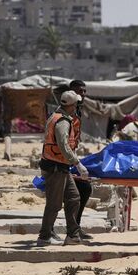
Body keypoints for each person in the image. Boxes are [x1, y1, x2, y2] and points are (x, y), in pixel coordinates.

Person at [37, 90, 89, 246]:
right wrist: (77, 163)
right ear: (72, 105)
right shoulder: (63, 121)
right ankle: (44, 236)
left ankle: (72, 235)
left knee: (73, 198)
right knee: (54, 204)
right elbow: (63, 145)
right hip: (55, 167)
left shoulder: (56, 116)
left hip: (60, 167)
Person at [69, 80, 93, 240]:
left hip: (70, 157)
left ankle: (75, 228)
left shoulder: (77, 110)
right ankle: (47, 232)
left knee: (84, 190)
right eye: (79, 91)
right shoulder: (66, 112)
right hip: (61, 160)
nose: (83, 94)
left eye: (84, 91)